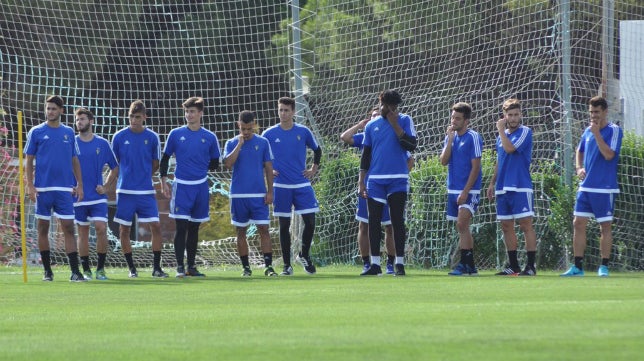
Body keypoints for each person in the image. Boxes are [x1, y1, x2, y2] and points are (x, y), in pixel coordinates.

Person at [340, 106, 414, 275]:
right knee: (365, 223)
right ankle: (369, 263)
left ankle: (391, 263)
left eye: (377, 115)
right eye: (372, 116)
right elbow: (345, 137)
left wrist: (399, 173)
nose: (375, 117)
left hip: (392, 184)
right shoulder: (369, 132)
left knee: (391, 225)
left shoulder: (396, 129)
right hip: (371, 185)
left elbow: (410, 158)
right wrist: (360, 124)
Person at [24, 95, 86, 282]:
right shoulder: (36, 132)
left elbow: (75, 159)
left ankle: (75, 272)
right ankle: (47, 271)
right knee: (43, 228)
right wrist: (30, 185)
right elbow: (29, 160)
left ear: (61, 111)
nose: (50, 111)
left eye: (53, 108)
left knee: (68, 227)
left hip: (64, 189)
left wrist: (80, 185)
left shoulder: (68, 133)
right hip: (42, 189)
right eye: (48, 108)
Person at [561, 96, 623, 277]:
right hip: (585, 187)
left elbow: (609, 155)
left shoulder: (614, 130)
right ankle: (577, 267)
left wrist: (596, 133)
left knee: (605, 226)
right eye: (591, 112)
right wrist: (579, 168)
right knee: (578, 223)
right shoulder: (587, 131)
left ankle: (604, 266)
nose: (593, 116)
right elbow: (579, 151)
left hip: (605, 187)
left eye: (596, 112)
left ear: (605, 112)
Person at [358, 90, 417, 276]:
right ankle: (375, 264)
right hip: (375, 180)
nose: (389, 110)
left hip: (398, 178)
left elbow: (411, 144)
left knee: (397, 220)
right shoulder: (371, 125)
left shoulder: (405, 120)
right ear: (380, 103)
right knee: (373, 220)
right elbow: (365, 155)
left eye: (393, 107)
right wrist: (361, 180)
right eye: (386, 106)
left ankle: (399, 263)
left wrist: (395, 125)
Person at [160, 97, 220, 278]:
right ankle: (179, 266)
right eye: (187, 111)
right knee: (181, 227)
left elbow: (215, 162)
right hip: (181, 186)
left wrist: (200, 166)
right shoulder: (175, 134)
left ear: (200, 113)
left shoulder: (210, 137)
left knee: (194, 228)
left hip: (201, 186)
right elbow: (165, 159)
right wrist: (164, 181)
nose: (189, 115)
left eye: (192, 111)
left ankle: (191, 267)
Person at [261, 97, 321, 275]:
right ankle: (287, 265)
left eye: (286, 110)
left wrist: (313, 169)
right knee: (284, 225)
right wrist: (268, 171)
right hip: (281, 186)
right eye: (280, 110)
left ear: (293, 112)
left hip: (302, 183)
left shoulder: (303, 131)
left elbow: (317, 150)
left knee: (310, 221)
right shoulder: (269, 134)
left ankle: (304, 254)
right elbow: (259, 155)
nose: (283, 113)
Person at [111, 100, 167, 278]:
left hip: (145, 191)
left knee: (156, 226)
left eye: (137, 117)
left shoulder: (152, 137)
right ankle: (131, 269)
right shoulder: (119, 137)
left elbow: (156, 163)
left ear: (144, 117)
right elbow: (115, 165)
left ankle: (156, 268)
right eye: (130, 117)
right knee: (124, 230)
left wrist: (143, 176)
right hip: (125, 191)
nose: (133, 120)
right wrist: (107, 185)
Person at [486, 99, 537, 276]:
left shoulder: (525, 132)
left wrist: (500, 130)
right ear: (504, 116)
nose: (513, 118)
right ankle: (513, 266)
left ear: (520, 115)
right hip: (502, 187)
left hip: (521, 186)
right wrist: (492, 183)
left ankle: (530, 266)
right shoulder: (501, 136)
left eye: (516, 114)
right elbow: (500, 160)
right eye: (510, 115)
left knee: (525, 225)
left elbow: (509, 149)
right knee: (506, 226)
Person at [223, 110, 276, 277]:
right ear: (238, 125)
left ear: (254, 125)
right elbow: (228, 164)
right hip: (238, 195)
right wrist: (239, 145)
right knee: (241, 231)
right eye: (243, 128)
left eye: (249, 128)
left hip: (259, 195)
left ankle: (268, 267)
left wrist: (270, 191)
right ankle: (246, 268)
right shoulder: (231, 143)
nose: (246, 132)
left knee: (264, 229)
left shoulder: (263, 142)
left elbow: (268, 168)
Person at [73, 107, 119, 281]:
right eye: (77, 120)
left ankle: (100, 269)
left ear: (91, 121)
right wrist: (73, 186)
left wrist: (106, 187)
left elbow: (115, 168)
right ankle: (86, 269)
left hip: (97, 196)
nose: (79, 122)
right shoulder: (72, 142)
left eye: (83, 119)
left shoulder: (102, 143)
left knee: (101, 228)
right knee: (82, 232)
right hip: (79, 197)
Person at [439, 102, 483, 276]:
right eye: (452, 117)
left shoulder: (473, 137)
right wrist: (449, 140)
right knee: (462, 227)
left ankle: (465, 264)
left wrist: (466, 191)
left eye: (457, 118)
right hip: (452, 189)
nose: (453, 121)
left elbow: (476, 167)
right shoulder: (451, 137)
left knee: (462, 222)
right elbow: (443, 161)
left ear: (466, 121)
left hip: (469, 190)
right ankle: (469, 266)